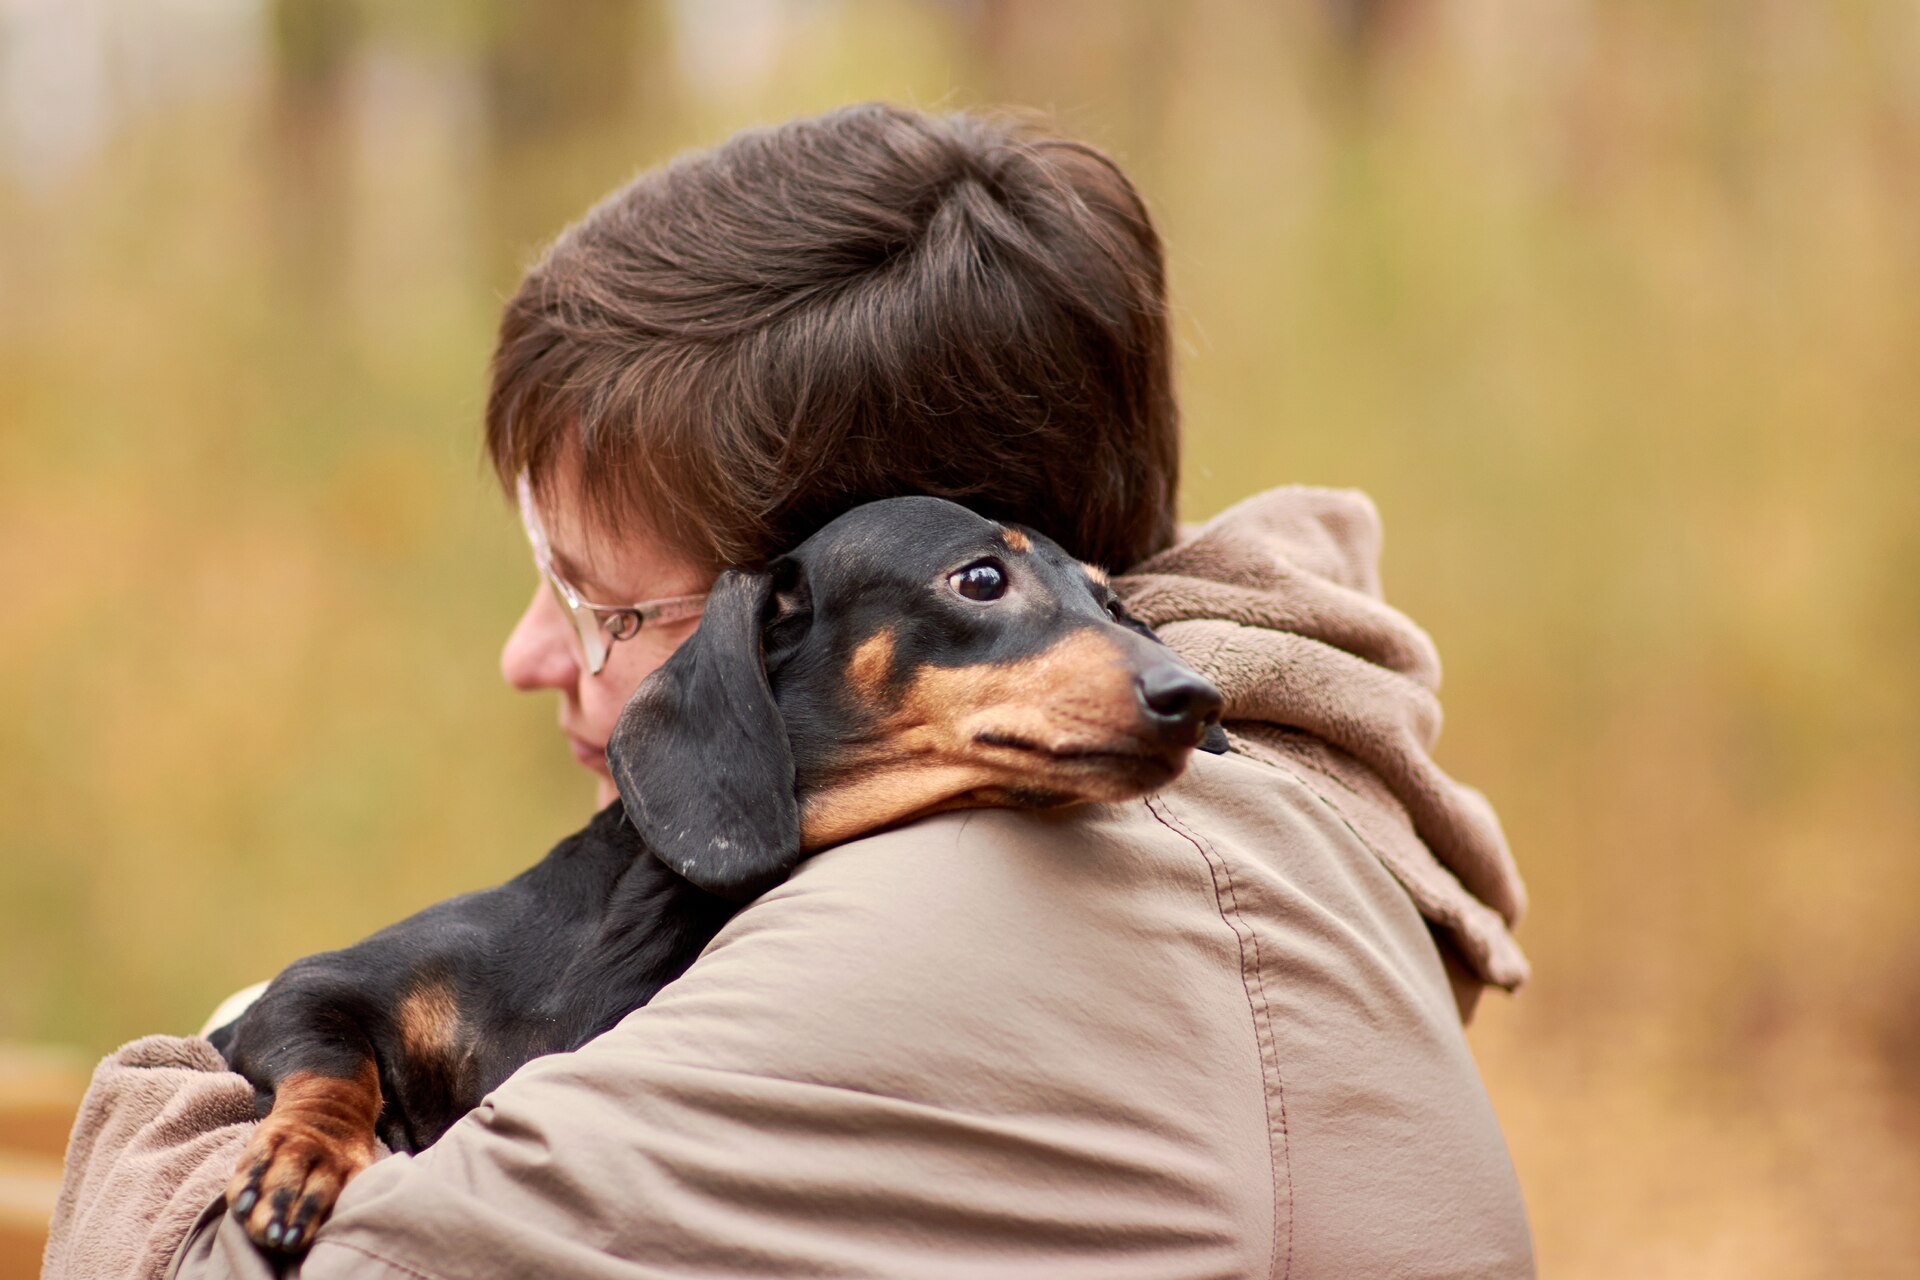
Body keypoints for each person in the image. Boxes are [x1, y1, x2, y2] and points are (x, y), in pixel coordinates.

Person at [46, 103, 1535, 1279]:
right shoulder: (1284, 808)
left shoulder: (944, 939)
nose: (529, 655)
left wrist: (216, 1063)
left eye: (604, 602)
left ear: (814, 610)